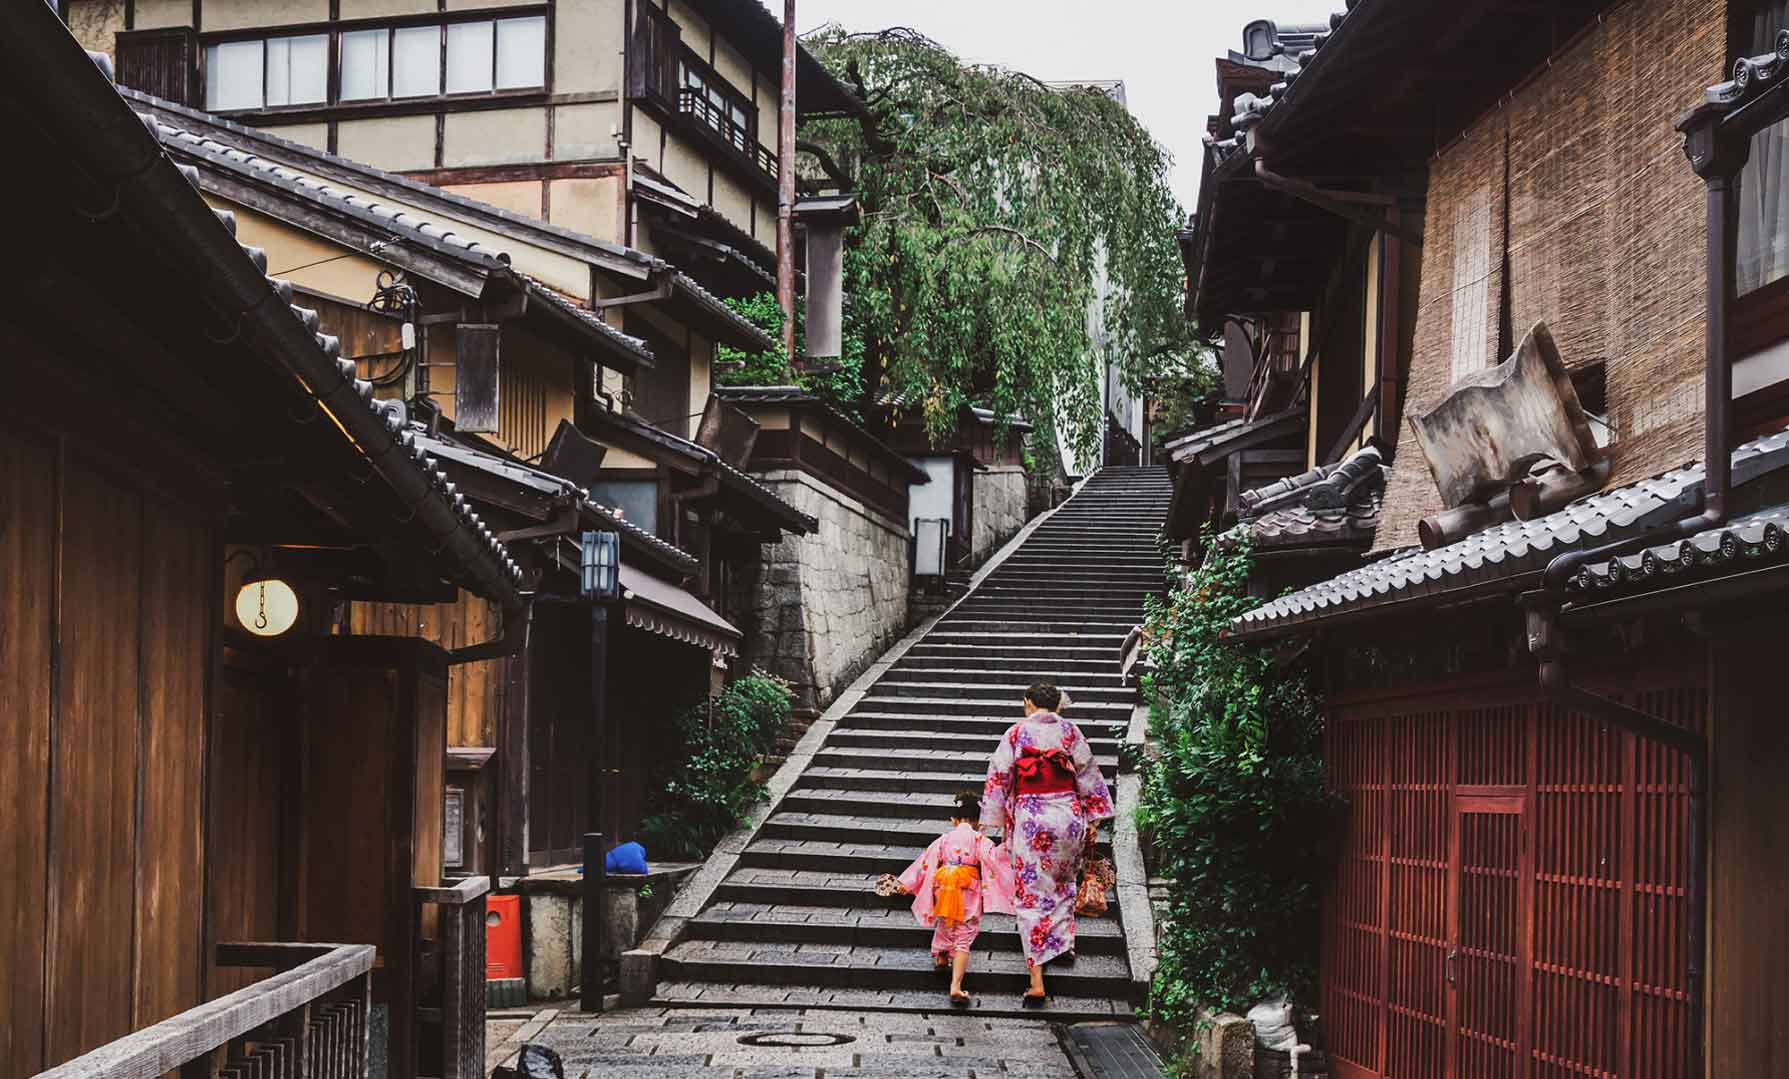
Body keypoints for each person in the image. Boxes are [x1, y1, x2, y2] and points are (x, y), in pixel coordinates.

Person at [981, 681, 1113, 1005]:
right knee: (1064, 881)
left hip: (1032, 818)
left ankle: (1037, 980)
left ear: (1027, 703)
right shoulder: (1070, 732)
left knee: (1030, 893)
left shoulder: (1015, 733)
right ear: (1057, 705)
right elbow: (1087, 773)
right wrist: (1093, 817)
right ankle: (1064, 943)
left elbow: (999, 777)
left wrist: (994, 819)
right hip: (1067, 815)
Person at [885, 790, 1014, 1007]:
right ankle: (956, 986)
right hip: (967, 887)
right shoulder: (980, 839)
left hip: (944, 885)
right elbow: (995, 860)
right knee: (963, 935)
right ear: (978, 821)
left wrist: (905, 884)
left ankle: (942, 956)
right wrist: (1008, 846)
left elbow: (925, 863)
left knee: (945, 919)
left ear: (954, 819)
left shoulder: (944, 839)